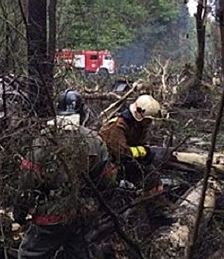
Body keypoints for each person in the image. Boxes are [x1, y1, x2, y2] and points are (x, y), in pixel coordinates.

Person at [13, 90, 115, 259]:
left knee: (30, 255)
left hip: (52, 215)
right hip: (84, 213)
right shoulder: (94, 140)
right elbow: (106, 180)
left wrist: (20, 212)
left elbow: (28, 182)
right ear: (82, 112)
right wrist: (99, 208)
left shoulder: (43, 141)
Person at [98, 94, 172, 227]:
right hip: (107, 166)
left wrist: (144, 155)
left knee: (152, 176)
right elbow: (121, 153)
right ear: (139, 115)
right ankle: (106, 220)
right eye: (148, 120)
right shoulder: (116, 126)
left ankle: (158, 213)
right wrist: (143, 152)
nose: (150, 124)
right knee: (109, 190)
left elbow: (139, 146)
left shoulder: (139, 126)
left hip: (128, 163)